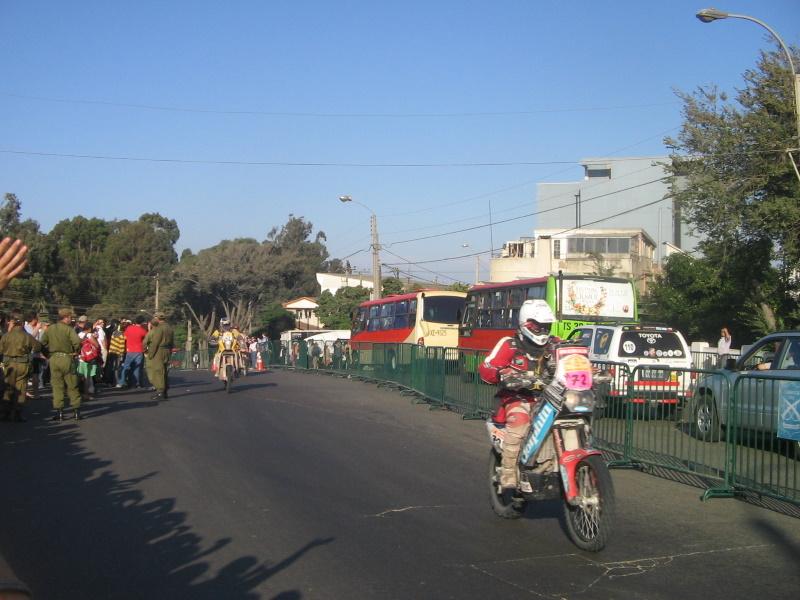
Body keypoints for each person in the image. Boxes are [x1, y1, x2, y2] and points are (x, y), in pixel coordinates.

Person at [479, 299, 558, 489]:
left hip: (549, 399)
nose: (543, 330)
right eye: (537, 326)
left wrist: (592, 370)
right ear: (526, 324)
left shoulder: (555, 344)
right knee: (520, 421)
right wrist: (501, 373)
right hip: (516, 397)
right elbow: (486, 367)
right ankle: (508, 474)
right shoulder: (509, 344)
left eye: (545, 326)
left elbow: (575, 358)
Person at [40, 308, 83, 420]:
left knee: (57, 386)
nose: (71, 319)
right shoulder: (69, 329)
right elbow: (77, 342)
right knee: (72, 385)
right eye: (70, 317)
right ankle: (76, 411)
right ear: (66, 317)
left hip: (54, 359)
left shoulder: (50, 329)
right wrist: (76, 351)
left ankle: (59, 413)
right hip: (67, 358)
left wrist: (47, 354)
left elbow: (42, 343)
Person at [0, 310, 42, 422]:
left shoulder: (6, 336)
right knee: (21, 389)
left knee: (8, 389)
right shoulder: (27, 336)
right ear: (22, 323)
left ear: (12, 322)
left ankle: (5, 413)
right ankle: (17, 413)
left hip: (9, 366)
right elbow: (37, 347)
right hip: (23, 365)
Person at [144, 312, 174, 401]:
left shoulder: (159, 328)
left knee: (158, 371)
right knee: (164, 371)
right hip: (167, 350)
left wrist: (150, 354)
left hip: (159, 351)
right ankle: (164, 391)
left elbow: (155, 342)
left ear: (157, 318)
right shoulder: (169, 327)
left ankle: (160, 391)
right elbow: (172, 342)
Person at [118, 315, 148, 388]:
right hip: (139, 351)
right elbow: (147, 339)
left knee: (126, 367)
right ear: (142, 322)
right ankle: (136, 383)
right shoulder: (142, 331)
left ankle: (122, 382)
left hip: (129, 350)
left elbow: (125, 337)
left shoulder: (129, 328)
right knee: (137, 368)